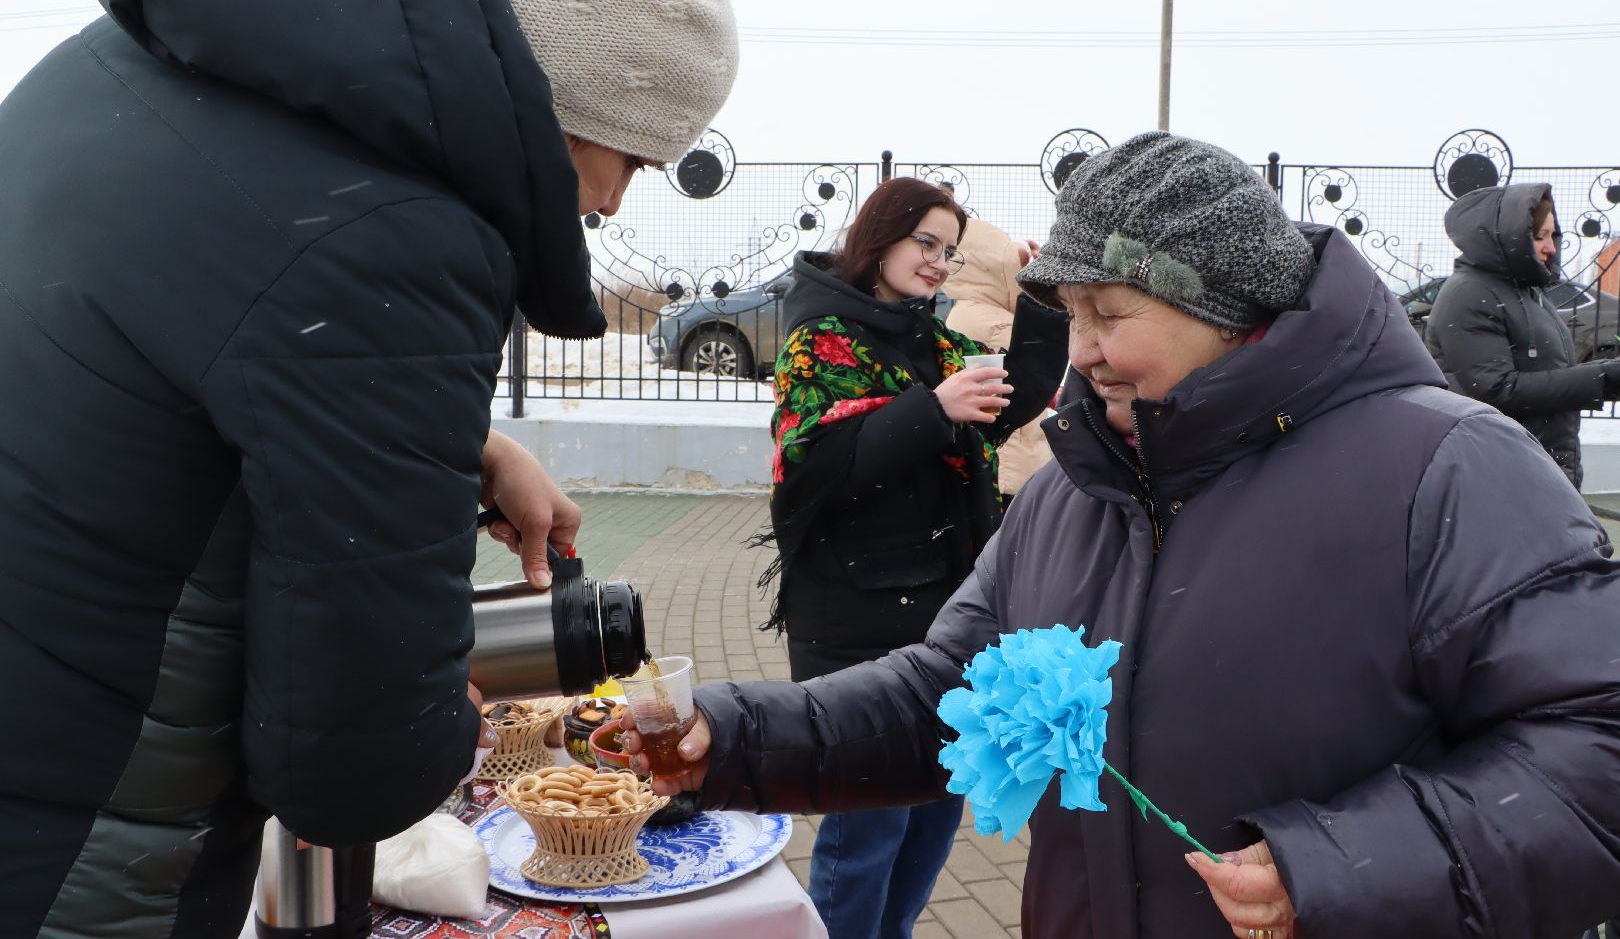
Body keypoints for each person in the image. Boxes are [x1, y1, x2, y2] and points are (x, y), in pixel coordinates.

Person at [626, 133, 1620, 938]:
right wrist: (740, 736)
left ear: (1228, 310)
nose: (1084, 353)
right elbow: (949, 697)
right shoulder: (1075, 494)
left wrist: (1343, 869)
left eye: (1111, 313)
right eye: (1070, 314)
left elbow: (1592, 756)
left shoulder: (1448, 470)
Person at [0, 0, 737, 934]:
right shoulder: (404, 233)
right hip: (89, 824)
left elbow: (190, 343)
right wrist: (444, 709)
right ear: (569, 89)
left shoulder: (128, 62)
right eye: (631, 155)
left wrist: (467, 448)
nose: (614, 198)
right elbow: (346, 765)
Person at [761, 176, 1066, 938]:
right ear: (881, 237)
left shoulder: (928, 335)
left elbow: (1011, 395)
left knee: (935, 804)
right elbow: (814, 473)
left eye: (950, 252)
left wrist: (1043, 303)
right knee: (869, 826)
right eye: (925, 243)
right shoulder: (820, 337)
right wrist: (933, 410)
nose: (937, 263)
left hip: (942, 609)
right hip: (856, 615)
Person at [1425, 183, 1620, 488]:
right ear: (1505, 236)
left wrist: (1607, 379)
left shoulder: (1528, 294)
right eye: (1538, 236)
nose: (1551, 247)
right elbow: (1498, 389)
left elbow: (1549, 375)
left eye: (1553, 236)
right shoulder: (1470, 293)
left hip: (1536, 464)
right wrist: (1603, 378)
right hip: (1499, 471)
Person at [943, 215, 1057, 502]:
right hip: (1010, 467)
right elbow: (1025, 385)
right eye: (1020, 264)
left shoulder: (971, 312)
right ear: (998, 272)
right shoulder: (995, 324)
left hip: (1006, 461)